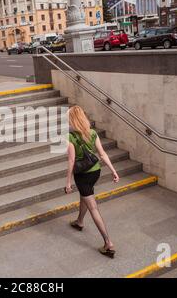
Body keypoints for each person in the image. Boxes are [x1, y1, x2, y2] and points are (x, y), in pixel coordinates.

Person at [65, 106, 120, 259]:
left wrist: (68, 182)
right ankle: (79, 221)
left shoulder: (70, 137)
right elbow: (102, 154)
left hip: (82, 175)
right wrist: (114, 171)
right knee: (85, 194)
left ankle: (108, 243)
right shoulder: (93, 133)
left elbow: (71, 161)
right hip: (95, 171)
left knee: (93, 207)